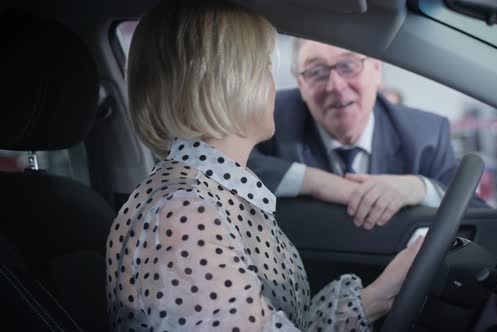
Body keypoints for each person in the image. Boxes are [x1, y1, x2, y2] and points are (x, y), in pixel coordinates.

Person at [105, 1, 424, 331]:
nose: (274, 85)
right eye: (264, 67)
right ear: (228, 82)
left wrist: (375, 299)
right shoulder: (185, 213)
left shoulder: (207, 195)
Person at [248, 39, 485, 230]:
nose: (336, 86)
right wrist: (316, 182)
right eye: (317, 71)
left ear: (376, 70)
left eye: (348, 65)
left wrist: (419, 188)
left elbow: (480, 214)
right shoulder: (271, 115)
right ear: (301, 84)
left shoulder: (426, 134)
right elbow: (219, 161)